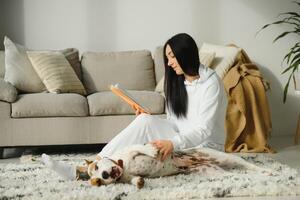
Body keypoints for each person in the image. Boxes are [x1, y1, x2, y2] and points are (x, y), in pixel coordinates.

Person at [42, 33, 227, 180]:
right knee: (145, 120)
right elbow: (173, 122)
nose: (169, 63)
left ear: (185, 54)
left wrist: (172, 142)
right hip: (179, 140)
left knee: (137, 157)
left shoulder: (211, 83)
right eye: (167, 58)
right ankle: (89, 166)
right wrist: (150, 121)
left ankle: (90, 170)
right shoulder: (178, 82)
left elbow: (204, 129)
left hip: (204, 147)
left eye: (172, 56)